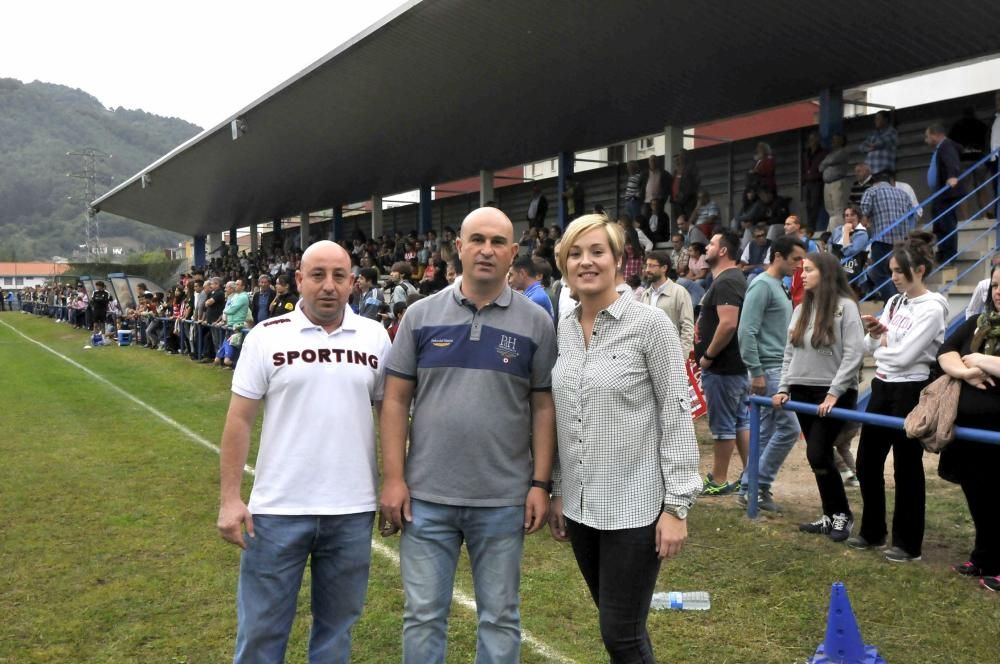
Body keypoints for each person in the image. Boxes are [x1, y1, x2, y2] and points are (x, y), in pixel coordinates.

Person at [378, 206, 557, 663]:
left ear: (513, 253)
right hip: (427, 498)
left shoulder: (536, 323)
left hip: (502, 500)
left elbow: (543, 406)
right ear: (458, 248)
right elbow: (395, 400)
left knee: (500, 617)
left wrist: (540, 484)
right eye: (476, 239)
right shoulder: (419, 316)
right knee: (423, 615)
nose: (486, 249)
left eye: (498, 242)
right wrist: (394, 479)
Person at [216, 241, 392, 663]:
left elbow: (391, 416)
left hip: (351, 510)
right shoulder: (266, 335)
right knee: (261, 632)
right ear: (299, 280)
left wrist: (393, 484)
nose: (328, 286)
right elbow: (239, 419)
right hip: (277, 511)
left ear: (353, 283)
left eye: (338, 276)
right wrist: (229, 499)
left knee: (336, 634)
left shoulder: (375, 337)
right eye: (317, 275)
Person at [547, 215, 700, 662]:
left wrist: (676, 507)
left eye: (597, 252)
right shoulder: (566, 328)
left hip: (634, 508)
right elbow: (562, 417)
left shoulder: (650, 325)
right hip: (580, 507)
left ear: (619, 261)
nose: (586, 261)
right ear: (564, 264)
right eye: (575, 253)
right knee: (619, 626)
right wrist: (559, 490)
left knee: (622, 633)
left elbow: (676, 413)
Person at [849, 233, 948, 562]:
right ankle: (872, 531)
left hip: (910, 390)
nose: (892, 277)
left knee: (906, 467)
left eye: (898, 271)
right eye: (891, 270)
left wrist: (883, 350)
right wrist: (878, 338)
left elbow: (908, 357)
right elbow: (870, 347)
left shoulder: (932, 307)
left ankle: (907, 544)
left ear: (919, 270)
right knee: (867, 461)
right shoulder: (894, 302)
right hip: (882, 386)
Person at [774, 252, 865, 542]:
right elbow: (790, 352)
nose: (802, 274)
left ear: (825, 273)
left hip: (832, 393)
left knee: (817, 452)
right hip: (801, 391)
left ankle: (842, 515)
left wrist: (834, 393)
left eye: (809, 270)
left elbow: (853, 353)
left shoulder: (846, 307)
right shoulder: (801, 308)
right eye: (802, 269)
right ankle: (830, 515)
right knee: (819, 456)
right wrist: (783, 387)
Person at [937, 263, 1000, 591]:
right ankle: (984, 557)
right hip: (969, 435)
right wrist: (964, 372)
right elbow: (944, 352)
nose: (998, 292)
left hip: (997, 435)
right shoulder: (978, 324)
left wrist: (977, 360)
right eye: (994, 286)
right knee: (978, 497)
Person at [737, 235, 807, 511]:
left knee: (766, 430)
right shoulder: (762, 286)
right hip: (767, 369)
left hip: (777, 367)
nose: (799, 265)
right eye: (795, 259)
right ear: (777, 256)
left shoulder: (779, 286)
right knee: (790, 429)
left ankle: (749, 487)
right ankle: (757, 483)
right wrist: (756, 371)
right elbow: (747, 331)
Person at [694, 230, 750, 495]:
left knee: (724, 425)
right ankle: (751, 477)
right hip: (728, 367)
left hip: (723, 367)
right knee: (739, 421)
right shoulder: (724, 279)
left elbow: (728, 323)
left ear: (724, 251)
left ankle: (718, 479)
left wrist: (708, 356)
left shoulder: (728, 280)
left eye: (712, 244)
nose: (707, 247)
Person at [860, 171, 917, 302]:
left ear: (874, 182)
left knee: (880, 274)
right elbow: (912, 215)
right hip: (902, 242)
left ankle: (893, 303)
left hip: (881, 240)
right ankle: (902, 302)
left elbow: (863, 214)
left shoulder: (871, 191)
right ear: (890, 181)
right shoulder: (903, 194)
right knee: (899, 273)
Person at [640, 250, 695, 356]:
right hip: (649, 355)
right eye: (646, 266)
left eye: (652, 266)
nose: (647, 270)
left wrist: (682, 357)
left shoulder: (679, 292)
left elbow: (687, 327)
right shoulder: (645, 295)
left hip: (671, 355)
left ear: (664, 268)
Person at [924, 124, 966, 263]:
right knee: (939, 225)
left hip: (947, 193)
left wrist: (952, 175)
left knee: (946, 223)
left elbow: (951, 161)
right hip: (939, 193)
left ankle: (949, 256)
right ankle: (942, 253)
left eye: (927, 136)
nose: (926, 140)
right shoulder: (941, 148)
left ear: (935, 134)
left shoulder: (946, 146)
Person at [820, 133, 851, 230]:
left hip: (837, 182)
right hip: (827, 184)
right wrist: (826, 162)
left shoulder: (843, 152)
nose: (833, 142)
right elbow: (820, 167)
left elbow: (831, 160)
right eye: (832, 139)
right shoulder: (830, 153)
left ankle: (840, 230)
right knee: (830, 209)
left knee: (838, 208)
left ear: (841, 141)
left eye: (836, 139)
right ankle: (833, 229)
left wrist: (826, 162)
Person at [803, 131, 829, 231]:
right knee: (807, 205)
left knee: (815, 204)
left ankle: (813, 226)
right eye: (810, 140)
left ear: (817, 141)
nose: (811, 142)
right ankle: (809, 225)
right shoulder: (806, 153)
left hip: (817, 181)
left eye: (814, 139)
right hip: (808, 181)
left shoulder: (823, 153)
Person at [860, 110, 898, 175]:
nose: (875, 121)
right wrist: (869, 149)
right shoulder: (873, 134)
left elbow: (880, 143)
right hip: (871, 171)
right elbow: (861, 147)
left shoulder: (892, 132)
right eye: (875, 119)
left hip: (884, 170)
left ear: (885, 120)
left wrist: (871, 146)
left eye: (878, 118)